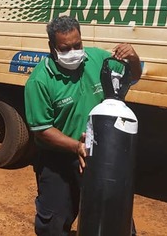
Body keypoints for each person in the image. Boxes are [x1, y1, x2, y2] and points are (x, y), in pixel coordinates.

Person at [24, 16, 142, 235]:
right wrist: (76, 147)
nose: (74, 52)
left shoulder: (97, 59)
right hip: (57, 159)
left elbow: (131, 76)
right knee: (53, 224)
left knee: (113, 216)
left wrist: (133, 59)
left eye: (77, 45)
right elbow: (42, 131)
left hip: (98, 154)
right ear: (52, 48)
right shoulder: (40, 81)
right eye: (65, 48)